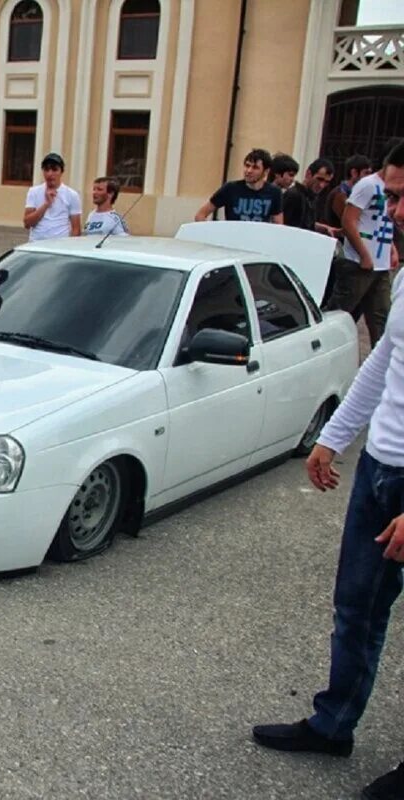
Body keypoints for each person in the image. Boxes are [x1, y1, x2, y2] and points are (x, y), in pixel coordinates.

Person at [251, 141, 404, 800]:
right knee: (356, 611)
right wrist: (334, 437)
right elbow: (383, 362)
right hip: (380, 466)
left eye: (398, 196)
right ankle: (332, 723)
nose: (386, 210)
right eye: (388, 195)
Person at [328, 155, 398, 348]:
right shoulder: (367, 185)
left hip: (380, 264)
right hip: (358, 263)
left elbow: (383, 221)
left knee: (381, 318)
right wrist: (364, 254)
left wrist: (391, 249)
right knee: (341, 313)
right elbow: (349, 220)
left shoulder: (393, 190)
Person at [196, 148, 284, 223]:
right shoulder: (230, 188)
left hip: (258, 240)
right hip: (232, 240)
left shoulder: (274, 192)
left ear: (266, 171)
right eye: (247, 165)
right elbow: (201, 215)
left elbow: (279, 225)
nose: (249, 170)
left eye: (255, 167)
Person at [23, 152, 82, 241]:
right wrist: (46, 204)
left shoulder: (71, 195)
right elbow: (27, 223)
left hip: (59, 246)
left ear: (61, 172)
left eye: (54, 170)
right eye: (46, 170)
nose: (50, 174)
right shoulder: (34, 192)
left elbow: (76, 228)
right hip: (36, 244)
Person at [283, 158, 336, 235]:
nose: (322, 185)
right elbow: (285, 226)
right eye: (319, 179)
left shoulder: (311, 197)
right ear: (308, 174)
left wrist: (324, 228)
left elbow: (307, 223)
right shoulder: (294, 195)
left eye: (326, 182)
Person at [322, 154, 373, 231]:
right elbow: (352, 221)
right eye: (366, 173)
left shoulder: (355, 193)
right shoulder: (340, 194)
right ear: (354, 173)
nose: (369, 177)